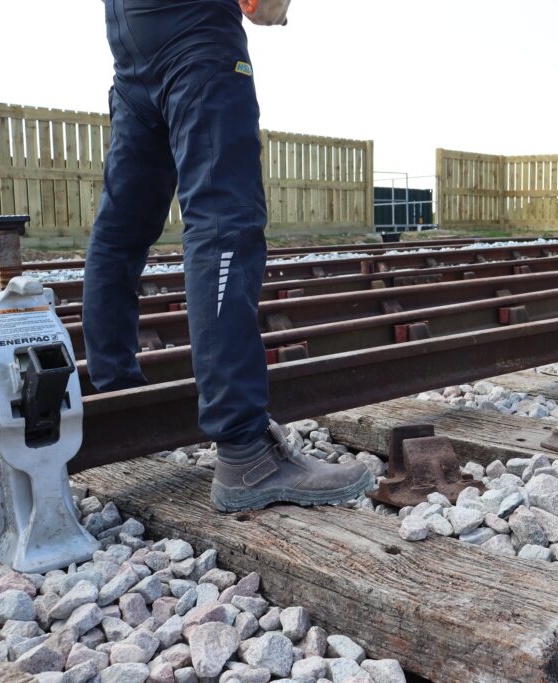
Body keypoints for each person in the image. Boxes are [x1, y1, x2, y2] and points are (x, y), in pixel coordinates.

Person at [83, 0, 373, 512]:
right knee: (223, 226)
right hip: (196, 39)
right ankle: (246, 452)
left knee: (119, 235)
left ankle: (116, 398)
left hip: (130, 48)